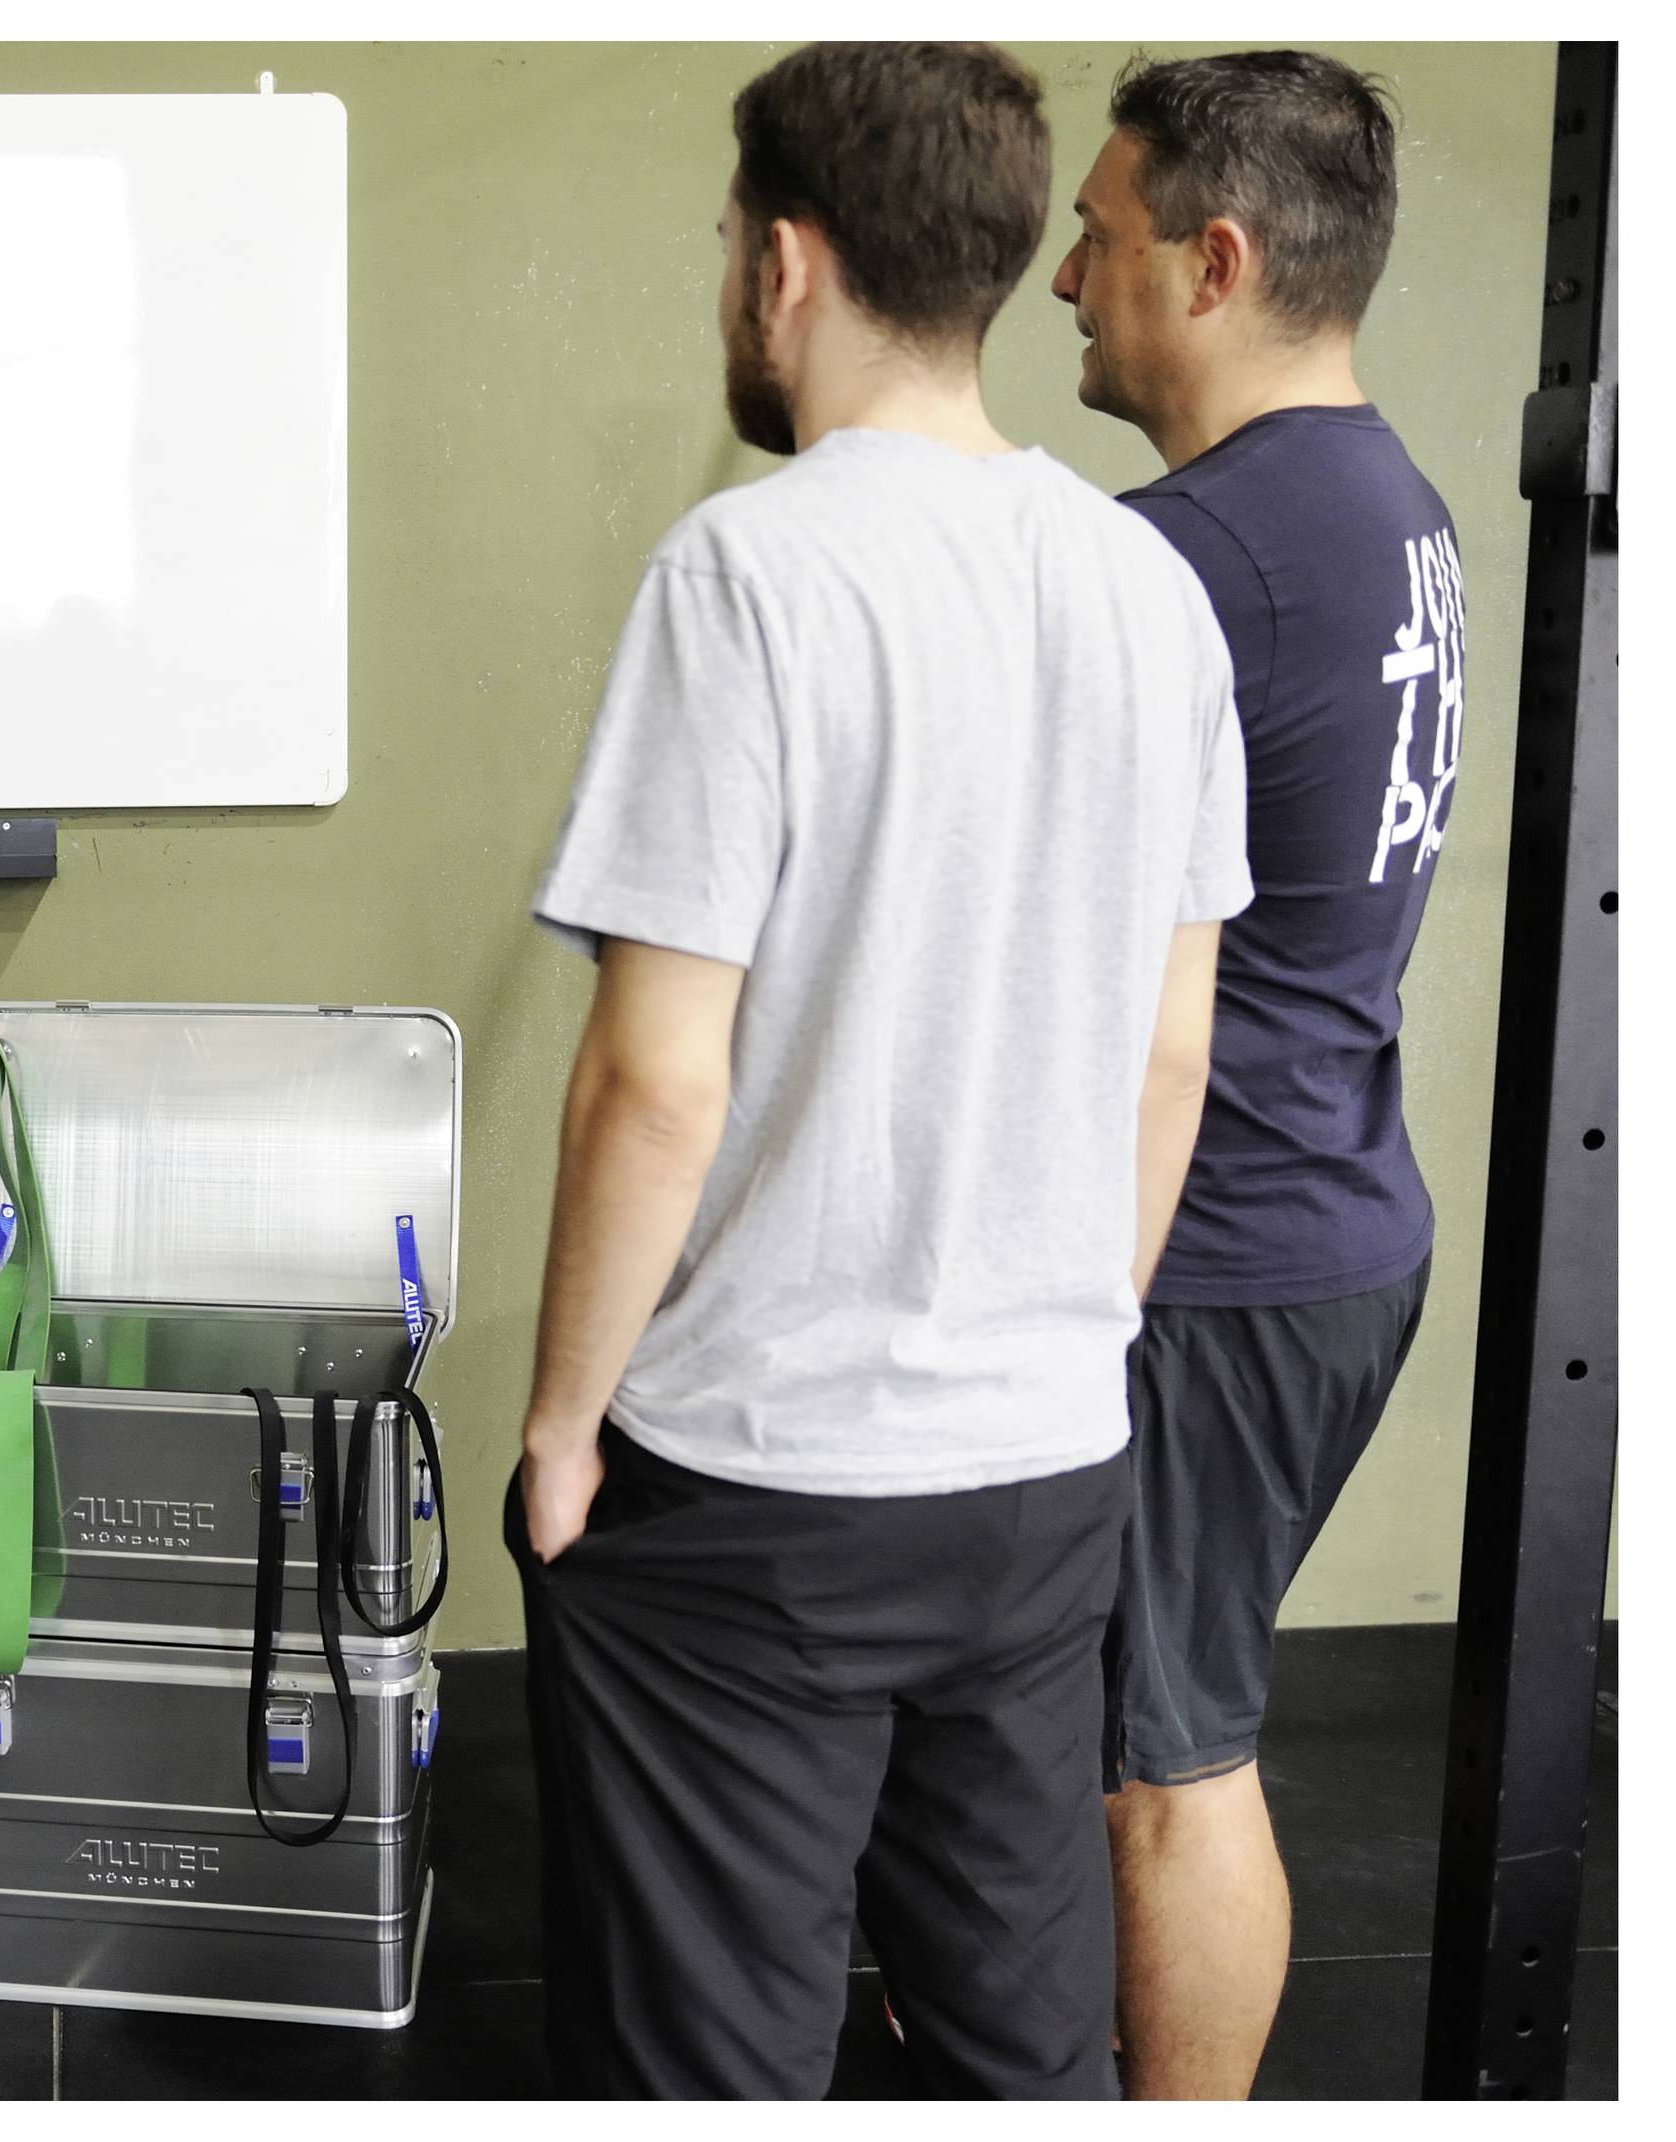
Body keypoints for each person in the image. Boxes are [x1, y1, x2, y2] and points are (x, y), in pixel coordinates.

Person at [511, 42, 1253, 2098]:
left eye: (728, 245)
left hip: (757, 1487)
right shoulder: (1151, 588)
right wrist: (1068, 1340)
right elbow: (1173, 1052)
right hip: (1044, 1465)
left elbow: (655, 1084)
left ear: (786, 264)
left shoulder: (747, 572)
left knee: (710, 2059)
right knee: (1021, 2040)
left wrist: (562, 1430)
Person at [1049, 52, 1455, 2099]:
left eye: (1098, 238)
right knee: (1137, 1726)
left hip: (1214, 1256)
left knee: (1168, 1763)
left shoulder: (1185, 560)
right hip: (1334, 1220)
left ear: (1212, 263)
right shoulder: (1395, 505)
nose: (1063, 282)